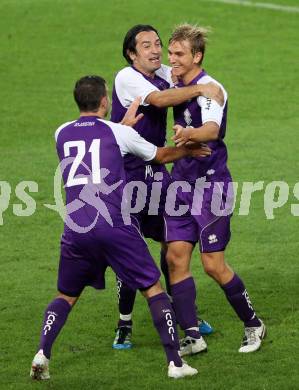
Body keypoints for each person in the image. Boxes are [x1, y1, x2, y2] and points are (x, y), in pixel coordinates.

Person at [29, 75, 213, 380]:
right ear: (105, 101)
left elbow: (95, 147)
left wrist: (121, 129)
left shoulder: (60, 133)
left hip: (76, 228)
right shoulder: (116, 132)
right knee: (154, 289)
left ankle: (42, 354)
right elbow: (161, 155)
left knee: (66, 295)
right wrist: (189, 151)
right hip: (114, 223)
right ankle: (176, 364)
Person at [110, 24, 220, 349]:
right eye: (147, 45)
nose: (156, 50)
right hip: (126, 178)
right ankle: (124, 322)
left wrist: (207, 89)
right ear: (132, 53)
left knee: (173, 244)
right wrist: (200, 90)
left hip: (157, 171)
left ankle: (185, 313)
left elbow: (188, 76)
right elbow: (159, 99)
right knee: (128, 251)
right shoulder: (126, 78)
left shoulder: (163, 71)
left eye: (158, 44)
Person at [164, 24, 266, 356]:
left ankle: (253, 324)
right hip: (181, 185)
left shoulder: (212, 89)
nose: (172, 59)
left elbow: (211, 129)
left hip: (210, 189)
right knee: (176, 257)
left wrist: (188, 133)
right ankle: (193, 336)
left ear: (198, 56)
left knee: (212, 265)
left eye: (179, 54)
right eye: (170, 53)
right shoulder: (176, 81)